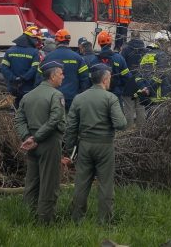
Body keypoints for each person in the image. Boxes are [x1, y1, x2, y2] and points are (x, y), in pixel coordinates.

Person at [64, 64, 128, 223]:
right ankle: (105, 220)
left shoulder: (79, 98)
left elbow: (70, 127)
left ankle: (77, 218)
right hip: (105, 145)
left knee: (81, 183)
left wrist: (70, 149)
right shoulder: (110, 98)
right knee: (106, 184)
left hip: (85, 145)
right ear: (105, 79)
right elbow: (121, 124)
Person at [14, 60, 67, 223]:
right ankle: (45, 220)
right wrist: (37, 138)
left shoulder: (28, 96)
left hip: (31, 143)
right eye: (61, 74)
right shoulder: (56, 95)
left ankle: (26, 216)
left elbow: (19, 120)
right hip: (49, 142)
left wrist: (27, 137)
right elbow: (55, 119)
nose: (63, 77)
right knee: (49, 182)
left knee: (32, 181)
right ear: (53, 76)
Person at [91, 31, 137, 121]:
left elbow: (90, 79)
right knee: (117, 120)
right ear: (111, 42)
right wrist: (120, 88)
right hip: (115, 94)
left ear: (99, 43)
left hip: (98, 96)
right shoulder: (119, 58)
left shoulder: (94, 60)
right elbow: (127, 77)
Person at [46, 30, 89, 109]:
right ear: (68, 41)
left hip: (52, 97)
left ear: (56, 41)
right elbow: (84, 78)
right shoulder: (78, 58)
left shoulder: (48, 57)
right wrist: (81, 95)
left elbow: (40, 77)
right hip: (72, 98)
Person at [1, 28, 43, 105]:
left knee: (13, 109)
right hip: (28, 88)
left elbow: (4, 68)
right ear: (30, 38)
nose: (37, 41)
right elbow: (34, 69)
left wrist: (13, 78)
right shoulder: (34, 52)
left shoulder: (10, 51)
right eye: (36, 39)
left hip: (12, 88)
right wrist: (23, 78)